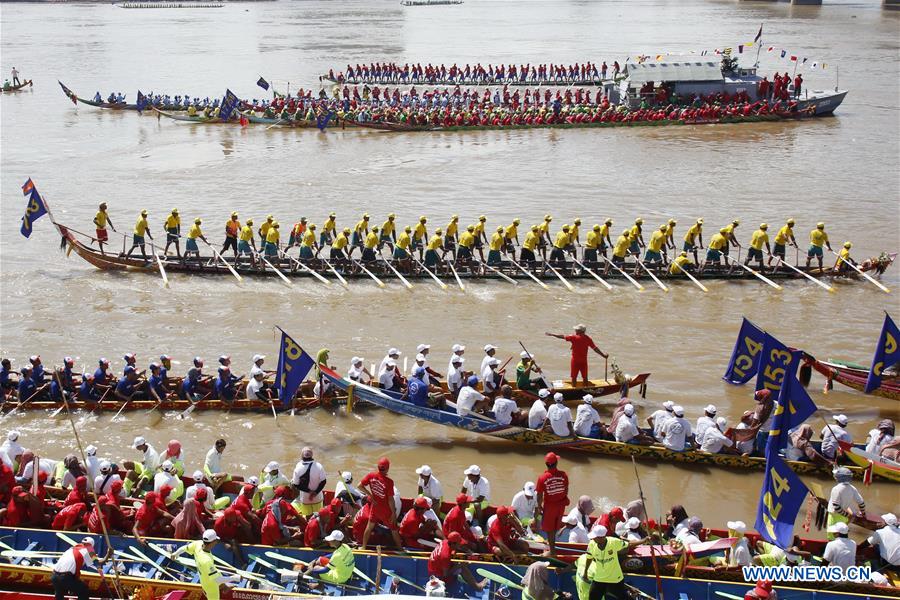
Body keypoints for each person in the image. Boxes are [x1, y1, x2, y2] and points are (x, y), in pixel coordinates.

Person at [583, 524, 646, 600]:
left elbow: (629, 544)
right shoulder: (592, 543)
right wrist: (585, 572)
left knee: (623, 598)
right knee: (592, 597)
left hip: (615, 578)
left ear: (602, 537)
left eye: (595, 537)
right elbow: (589, 558)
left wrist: (644, 540)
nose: (593, 538)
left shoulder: (613, 542)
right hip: (599, 578)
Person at [173, 529, 239, 600]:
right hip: (210, 585)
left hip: (206, 576)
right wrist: (234, 578)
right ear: (213, 542)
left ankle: (224, 587)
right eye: (216, 540)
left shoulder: (198, 544)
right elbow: (217, 580)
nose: (217, 542)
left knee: (217, 573)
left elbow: (184, 548)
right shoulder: (206, 561)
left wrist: (175, 553)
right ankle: (223, 587)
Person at [359, 457, 404, 548]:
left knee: (369, 526)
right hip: (385, 510)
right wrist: (393, 514)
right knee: (394, 529)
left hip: (375, 508)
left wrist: (370, 495)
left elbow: (359, 486)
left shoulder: (371, 476)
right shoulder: (389, 482)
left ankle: (363, 547)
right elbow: (390, 500)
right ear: (387, 468)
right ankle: (400, 549)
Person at [51, 536, 108, 600]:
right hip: (65, 578)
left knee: (59, 594)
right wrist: (108, 554)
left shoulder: (72, 548)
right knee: (84, 590)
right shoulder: (89, 549)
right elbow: (98, 563)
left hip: (54, 576)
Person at [536, 452, 569, 556]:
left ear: (546, 464)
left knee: (549, 529)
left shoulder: (542, 478)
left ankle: (552, 551)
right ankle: (552, 547)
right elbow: (566, 490)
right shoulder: (564, 475)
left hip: (550, 506)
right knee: (555, 526)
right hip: (561, 505)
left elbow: (539, 495)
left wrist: (539, 506)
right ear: (556, 463)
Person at [827, 467, 865, 536]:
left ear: (839, 477)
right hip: (844, 516)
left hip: (834, 515)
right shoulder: (852, 488)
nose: (835, 477)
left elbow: (836, 507)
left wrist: (847, 515)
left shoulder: (836, 489)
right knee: (842, 534)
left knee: (832, 536)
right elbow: (861, 503)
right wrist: (863, 514)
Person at [292, 446, 327, 517]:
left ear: (302, 456)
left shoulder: (298, 467)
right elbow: (323, 481)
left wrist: (309, 491)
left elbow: (296, 484)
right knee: (318, 517)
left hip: (305, 499)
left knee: (307, 517)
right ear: (312, 455)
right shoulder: (319, 466)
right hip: (317, 498)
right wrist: (315, 492)